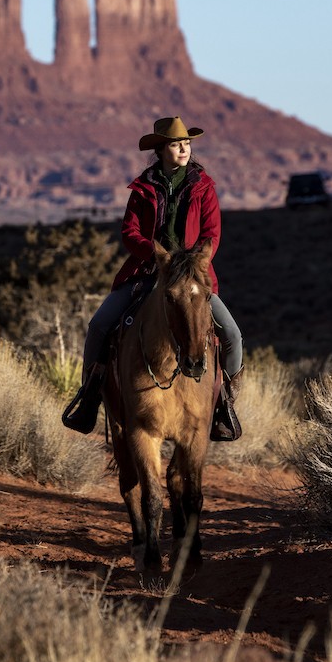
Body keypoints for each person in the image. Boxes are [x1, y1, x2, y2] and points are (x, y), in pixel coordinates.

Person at [62, 115, 244, 438]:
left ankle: (224, 407)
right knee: (99, 326)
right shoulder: (142, 188)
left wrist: (191, 264)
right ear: (160, 150)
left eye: (186, 143)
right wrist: (157, 257)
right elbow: (129, 232)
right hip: (146, 271)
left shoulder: (204, 187)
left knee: (232, 334)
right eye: (176, 144)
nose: (184, 149)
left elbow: (211, 234)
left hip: (191, 276)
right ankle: (89, 398)